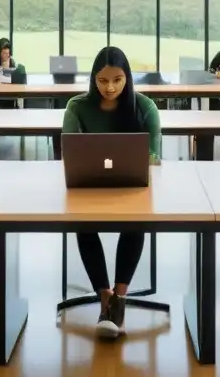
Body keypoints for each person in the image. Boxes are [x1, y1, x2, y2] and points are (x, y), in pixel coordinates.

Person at [61, 46, 162, 340]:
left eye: (117, 80)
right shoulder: (77, 107)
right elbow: (69, 151)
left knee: (136, 221)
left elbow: (153, 159)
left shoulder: (145, 108)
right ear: (93, 79)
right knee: (83, 223)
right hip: (87, 186)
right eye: (103, 80)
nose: (110, 87)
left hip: (133, 188)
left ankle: (119, 298)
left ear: (127, 78)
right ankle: (105, 298)